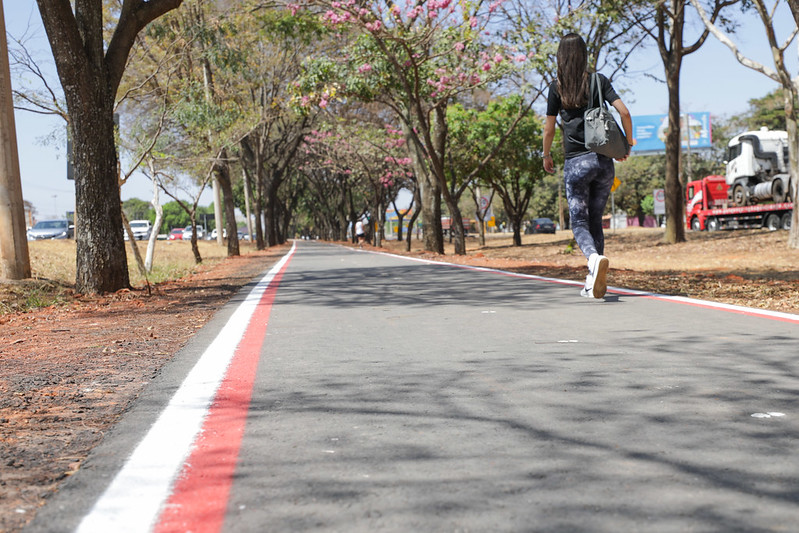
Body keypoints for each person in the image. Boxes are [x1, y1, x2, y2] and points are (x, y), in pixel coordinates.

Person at [542, 33, 634, 299]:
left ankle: (593, 259)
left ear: (561, 56)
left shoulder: (556, 87)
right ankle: (592, 280)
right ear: (584, 55)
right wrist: (627, 143)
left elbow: (549, 127)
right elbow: (624, 112)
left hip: (576, 164)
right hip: (604, 162)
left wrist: (545, 154)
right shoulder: (598, 80)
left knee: (579, 222)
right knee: (595, 220)